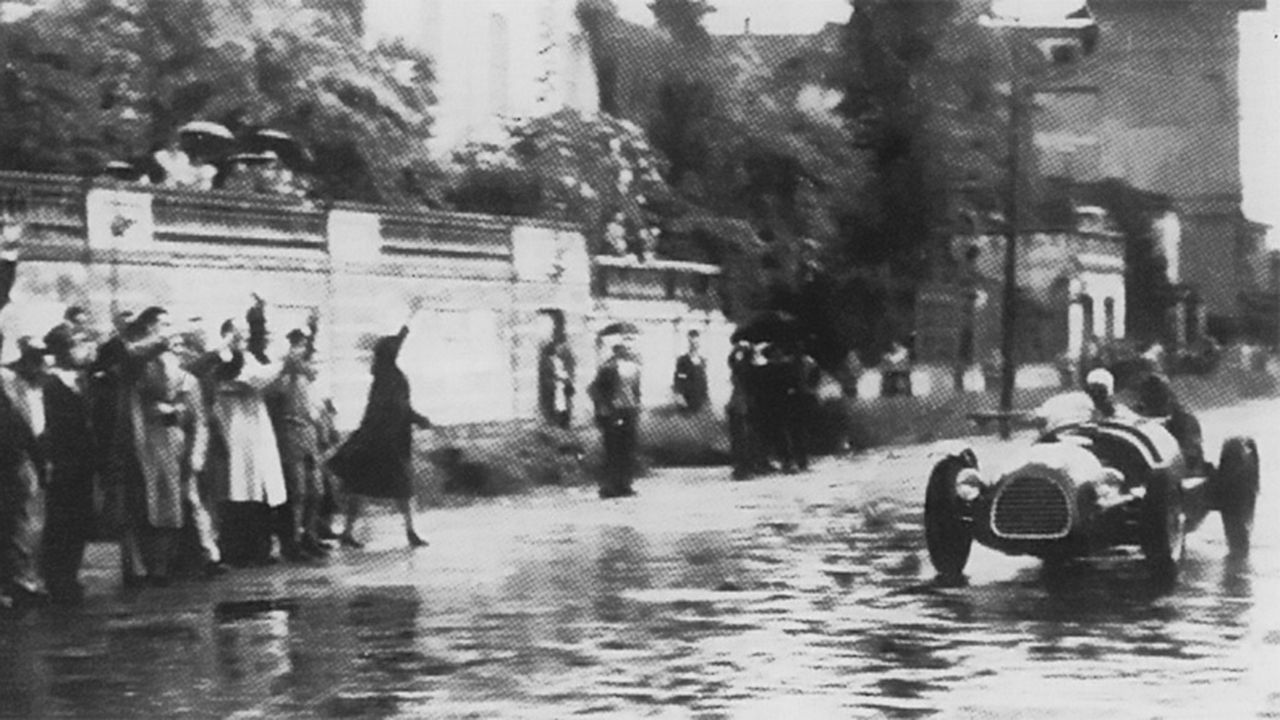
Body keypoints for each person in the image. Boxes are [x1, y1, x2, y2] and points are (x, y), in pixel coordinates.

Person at [114, 308, 208, 587]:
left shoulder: (173, 360)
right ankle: (138, 568)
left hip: (169, 440)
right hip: (141, 438)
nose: (170, 330)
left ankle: (161, 566)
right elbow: (133, 363)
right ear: (151, 327)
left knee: (168, 504)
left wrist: (194, 447)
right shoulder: (138, 357)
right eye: (164, 324)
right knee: (138, 505)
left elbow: (188, 395)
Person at [199, 313, 291, 566]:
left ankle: (258, 548)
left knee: (256, 488)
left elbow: (258, 378)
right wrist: (280, 363)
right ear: (227, 333)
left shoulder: (248, 357)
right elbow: (252, 380)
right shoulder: (219, 359)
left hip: (254, 429)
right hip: (233, 430)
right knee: (236, 489)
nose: (245, 336)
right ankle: (234, 550)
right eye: (240, 331)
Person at [327, 325, 431, 548]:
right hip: (388, 442)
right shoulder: (393, 377)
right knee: (401, 488)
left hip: (373, 439)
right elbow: (400, 408)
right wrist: (419, 419)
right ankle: (410, 531)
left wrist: (404, 330)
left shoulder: (382, 375)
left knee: (359, 486)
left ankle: (348, 531)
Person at [39, 326, 98, 603]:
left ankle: (70, 575)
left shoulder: (84, 381)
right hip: (62, 462)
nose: (83, 349)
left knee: (80, 519)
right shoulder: (49, 384)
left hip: (83, 461)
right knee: (60, 521)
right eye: (77, 344)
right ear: (63, 349)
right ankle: (57, 578)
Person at [272, 321, 330, 557]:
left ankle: (310, 535)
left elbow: (318, 410)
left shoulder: (309, 379)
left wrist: (323, 430)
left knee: (316, 491)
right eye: (299, 346)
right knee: (298, 491)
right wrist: (312, 332)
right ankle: (293, 541)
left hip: (309, 434)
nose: (305, 353)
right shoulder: (287, 374)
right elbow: (293, 363)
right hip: (292, 432)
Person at [0, 338, 50, 609]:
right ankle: (17, 581)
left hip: (15, 460)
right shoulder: (9, 381)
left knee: (20, 522)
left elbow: (25, 425)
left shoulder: (15, 382)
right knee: (16, 522)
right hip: (13, 458)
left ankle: (20, 580)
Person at [588, 335, 642, 499]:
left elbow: (636, 390)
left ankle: (625, 484)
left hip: (629, 411)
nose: (626, 351)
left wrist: (637, 405)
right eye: (622, 348)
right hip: (614, 412)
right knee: (613, 450)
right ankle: (609, 487)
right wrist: (604, 408)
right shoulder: (608, 368)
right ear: (616, 350)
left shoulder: (634, 367)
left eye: (627, 348)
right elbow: (593, 390)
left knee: (627, 449)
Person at [1135, 372, 1204, 471]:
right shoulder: (1134, 421)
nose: (1153, 399)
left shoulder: (1184, 421)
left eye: (1158, 394)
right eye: (1149, 396)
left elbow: (1192, 458)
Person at [539, 323, 576, 430]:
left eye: (562, 346)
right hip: (555, 384)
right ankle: (554, 421)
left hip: (564, 384)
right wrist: (556, 379)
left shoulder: (567, 359)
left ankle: (564, 423)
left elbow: (570, 370)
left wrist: (567, 379)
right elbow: (548, 373)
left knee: (564, 403)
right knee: (555, 403)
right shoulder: (551, 359)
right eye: (559, 346)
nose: (560, 348)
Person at [673, 329, 709, 413]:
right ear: (689, 343)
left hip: (700, 402)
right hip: (686, 401)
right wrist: (680, 397)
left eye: (697, 343)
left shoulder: (702, 361)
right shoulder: (683, 360)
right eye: (692, 343)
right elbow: (678, 380)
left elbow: (704, 381)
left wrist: (706, 399)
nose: (695, 346)